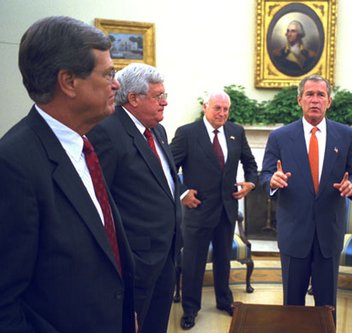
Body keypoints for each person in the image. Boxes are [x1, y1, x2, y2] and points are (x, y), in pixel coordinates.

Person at [0, 16, 135, 332]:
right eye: (108, 74)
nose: (116, 84)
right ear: (69, 82)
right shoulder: (14, 164)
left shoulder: (83, 146)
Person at [260, 75, 352, 322]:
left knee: (326, 308)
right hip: (294, 233)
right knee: (292, 306)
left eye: (320, 95)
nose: (315, 100)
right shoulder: (280, 137)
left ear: (329, 101)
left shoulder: (347, 136)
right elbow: (265, 174)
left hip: (329, 234)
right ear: (299, 100)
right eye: (309, 94)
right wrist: (271, 181)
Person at [87, 63, 180, 333]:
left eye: (164, 94)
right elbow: (99, 201)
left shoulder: (158, 130)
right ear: (134, 98)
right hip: (135, 260)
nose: (165, 102)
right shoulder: (106, 131)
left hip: (166, 253)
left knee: (156, 325)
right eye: (158, 96)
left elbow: (164, 185)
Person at [170, 91, 258, 330]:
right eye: (217, 108)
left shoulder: (236, 132)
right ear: (205, 107)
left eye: (226, 109)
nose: (222, 114)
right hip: (198, 210)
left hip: (227, 208)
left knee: (223, 260)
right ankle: (190, 309)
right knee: (193, 262)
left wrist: (250, 182)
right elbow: (167, 167)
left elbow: (250, 163)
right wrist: (183, 192)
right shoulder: (187, 133)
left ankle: (224, 301)